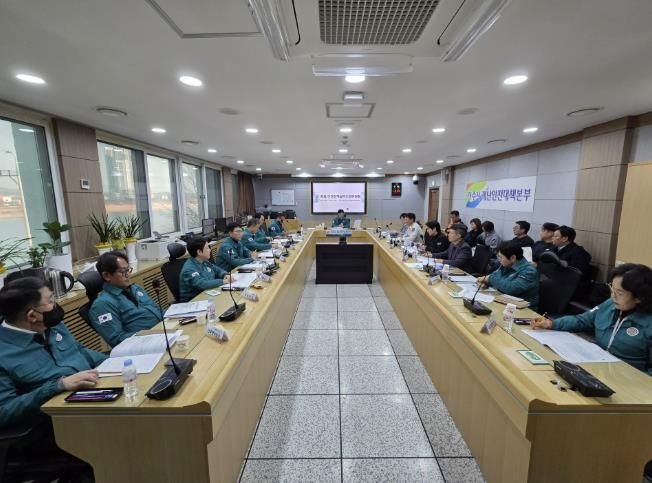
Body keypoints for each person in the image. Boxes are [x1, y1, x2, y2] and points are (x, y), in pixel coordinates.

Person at [0, 277, 106, 430]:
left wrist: (115, 361)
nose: (55, 305)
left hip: (93, 393)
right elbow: (4, 411)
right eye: (50, 301)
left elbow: (79, 351)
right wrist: (57, 386)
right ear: (32, 316)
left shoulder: (52, 325)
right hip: (52, 423)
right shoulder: (4, 353)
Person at [531, 263, 652, 375]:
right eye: (612, 289)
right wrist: (552, 324)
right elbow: (582, 320)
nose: (613, 296)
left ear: (639, 297)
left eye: (619, 293)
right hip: (597, 368)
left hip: (628, 379)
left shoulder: (648, 323)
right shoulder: (610, 305)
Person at [89, 251, 162, 347]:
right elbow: (117, 339)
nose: (128, 275)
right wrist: (151, 335)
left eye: (128, 270)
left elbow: (157, 310)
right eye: (123, 272)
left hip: (162, 332)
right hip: (142, 345)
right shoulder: (102, 305)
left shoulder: (135, 288)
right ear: (107, 276)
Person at [477, 242, 539, 310]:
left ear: (513, 257)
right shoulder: (506, 265)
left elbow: (511, 288)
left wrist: (490, 279)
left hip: (524, 310)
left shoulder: (529, 271)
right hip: (504, 302)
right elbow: (495, 278)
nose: (499, 260)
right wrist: (485, 283)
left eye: (501, 257)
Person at [179, 237, 231, 302]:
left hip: (207, 294)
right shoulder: (189, 269)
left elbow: (217, 269)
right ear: (199, 252)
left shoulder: (203, 261)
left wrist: (225, 274)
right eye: (207, 248)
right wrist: (223, 281)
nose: (210, 250)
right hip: (193, 301)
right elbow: (203, 284)